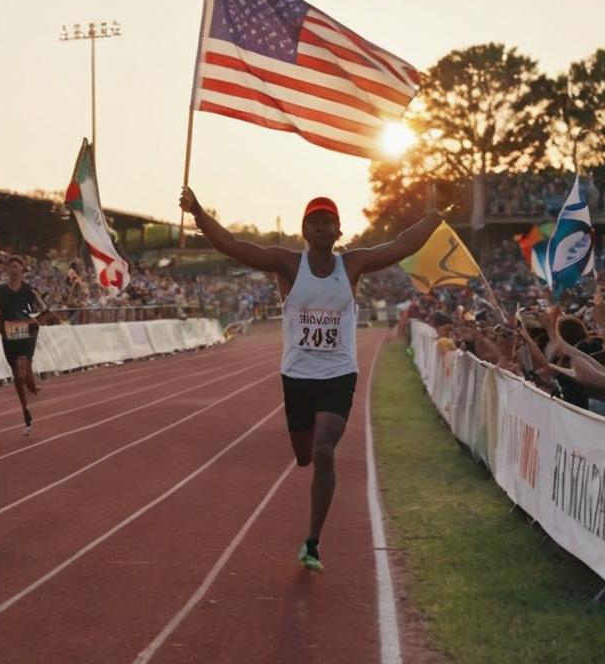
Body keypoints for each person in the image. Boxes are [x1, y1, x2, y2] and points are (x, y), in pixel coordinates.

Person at [180, 186, 444, 570]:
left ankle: (313, 542)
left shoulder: (351, 266)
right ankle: (310, 478)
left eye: (328, 222)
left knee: (324, 449)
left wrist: (432, 219)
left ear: (339, 230)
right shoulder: (289, 264)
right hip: (297, 376)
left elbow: (401, 245)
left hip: (339, 373)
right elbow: (235, 246)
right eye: (315, 222)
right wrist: (198, 212)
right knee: (303, 455)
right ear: (305, 230)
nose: (321, 228)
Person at [0, 254, 46, 436]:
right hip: (8, 333)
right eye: (11, 266)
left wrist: (36, 314)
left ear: (22, 270)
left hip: (26, 332)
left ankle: (30, 381)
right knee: (17, 374)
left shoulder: (29, 290)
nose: (14, 269)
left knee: (23, 367)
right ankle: (26, 412)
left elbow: (42, 307)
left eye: (17, 266)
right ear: (7, 269)